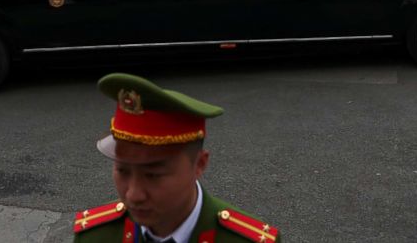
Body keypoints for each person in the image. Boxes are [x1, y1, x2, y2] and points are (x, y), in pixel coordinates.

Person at [73, 73, 280, 243]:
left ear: (199, 164)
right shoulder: (95, 237)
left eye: (153, 175)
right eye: (122, 171)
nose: (134, 195)